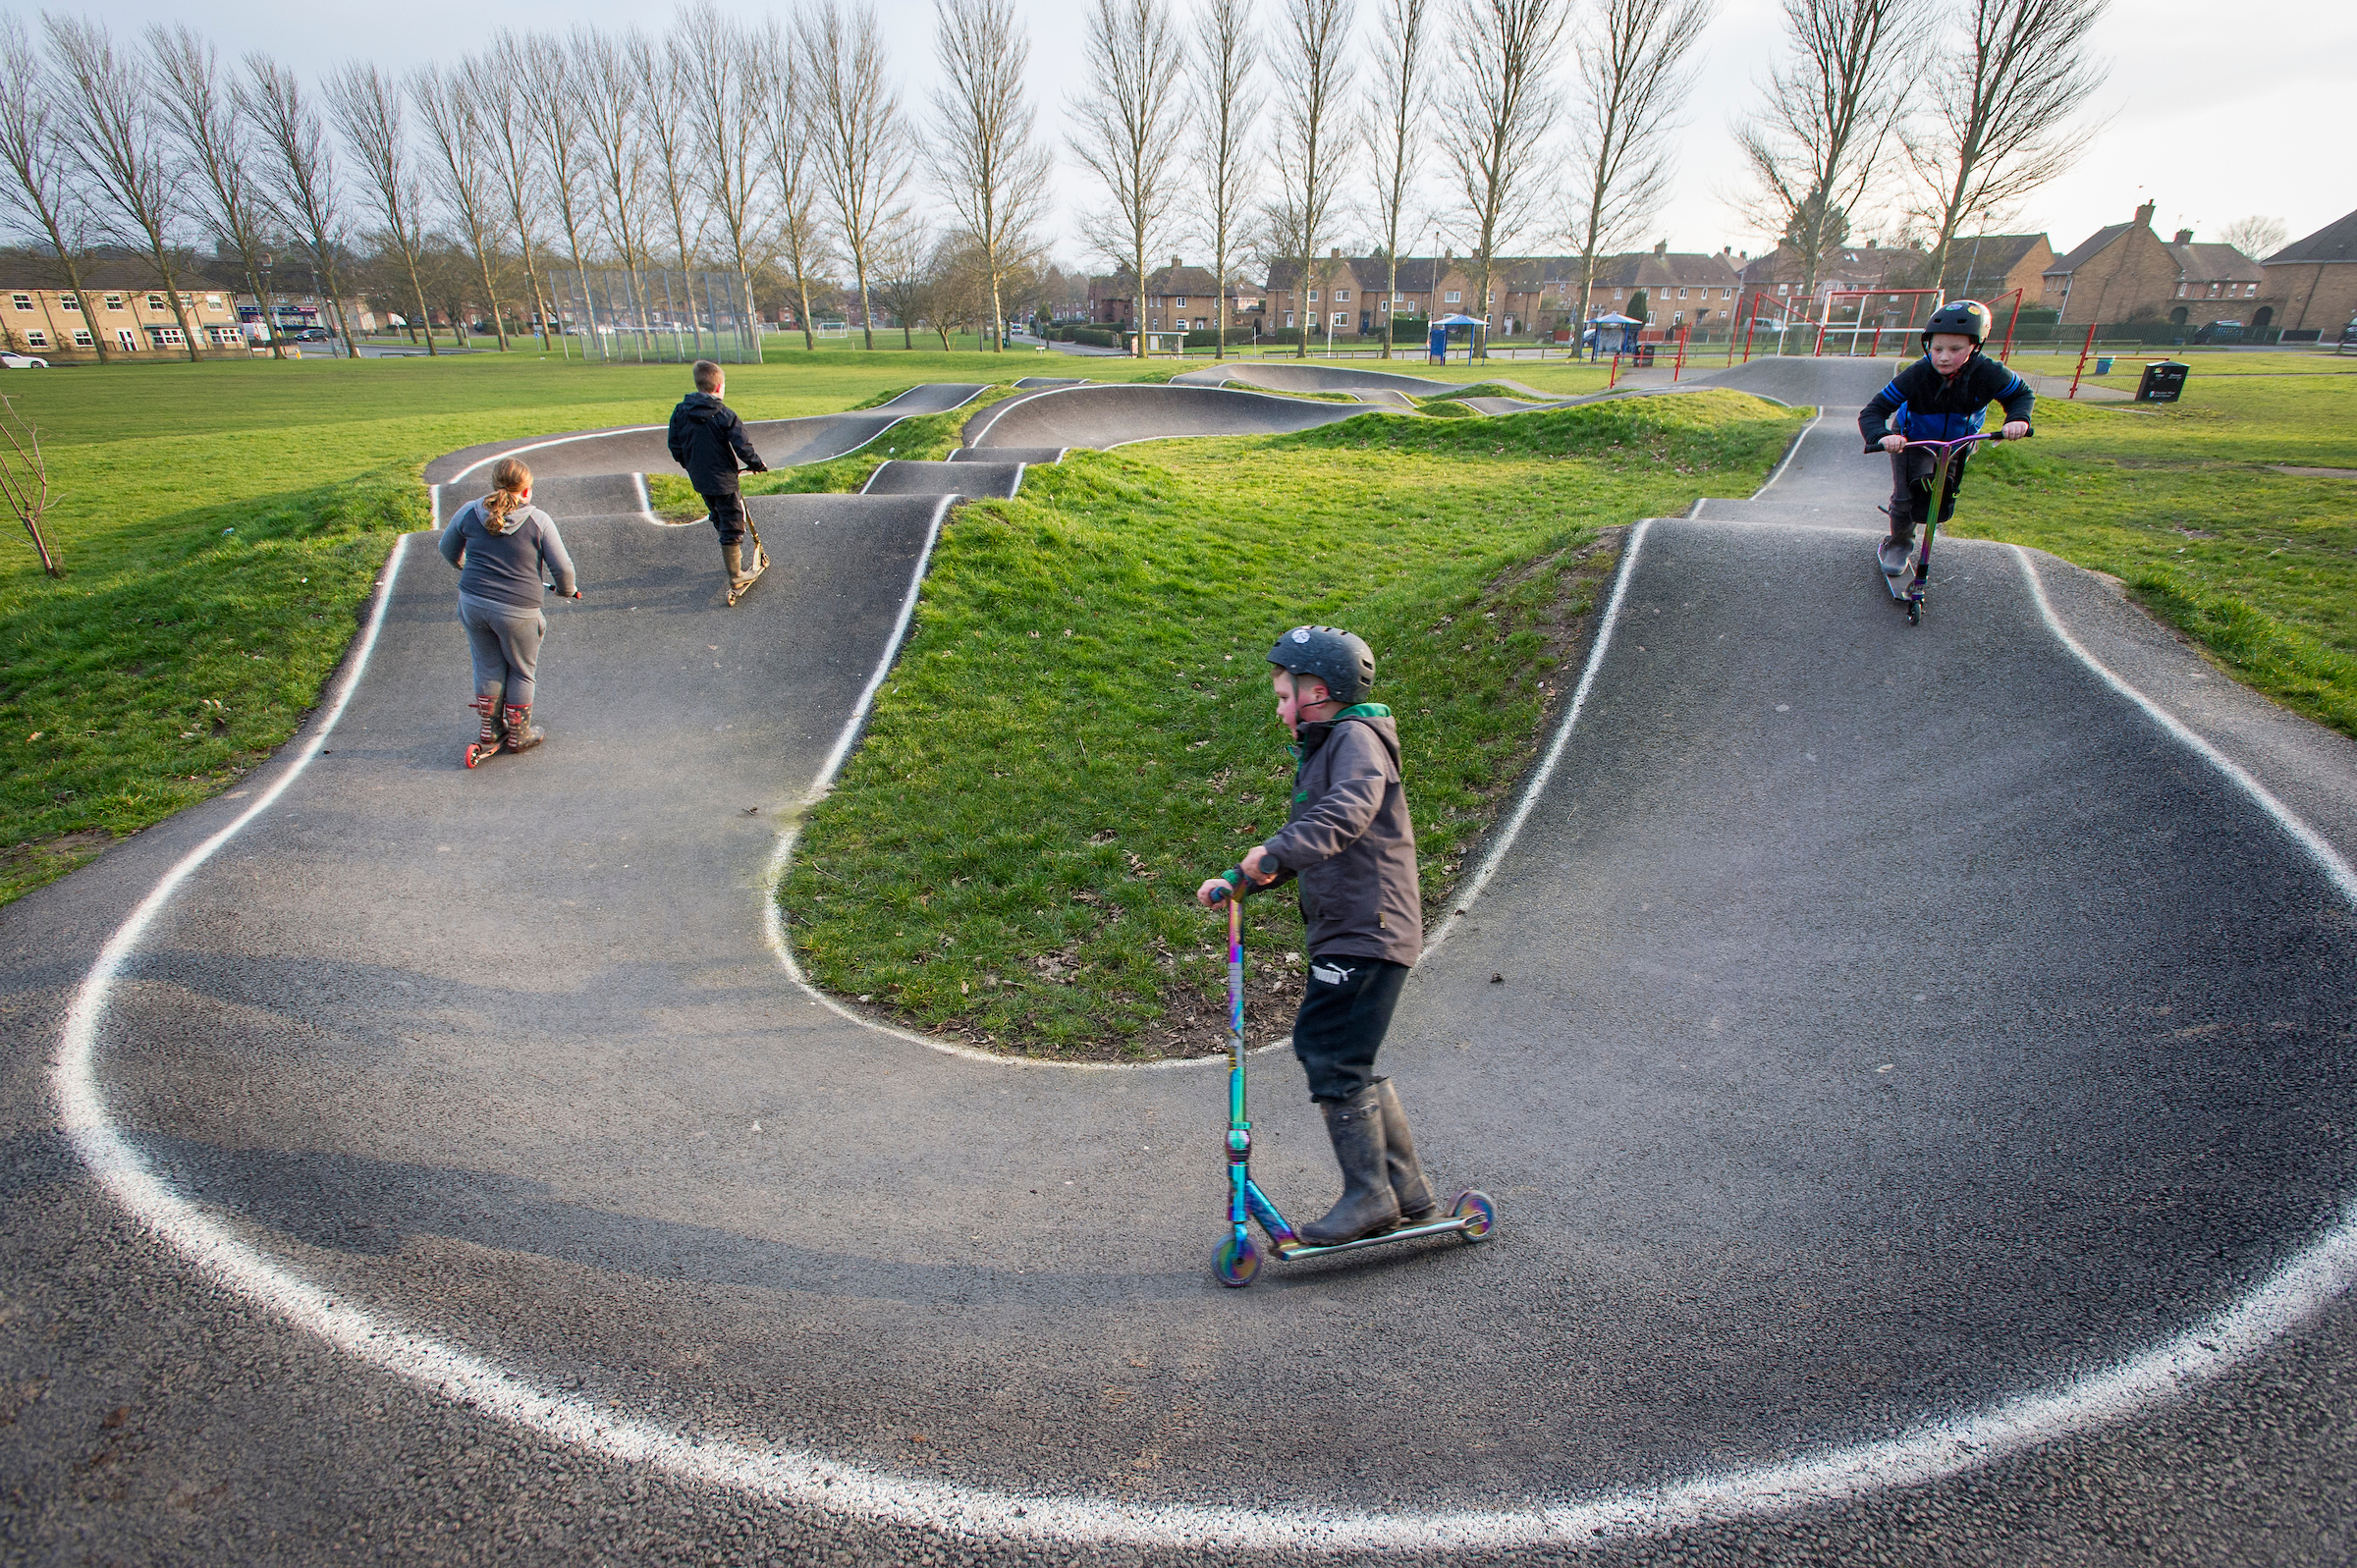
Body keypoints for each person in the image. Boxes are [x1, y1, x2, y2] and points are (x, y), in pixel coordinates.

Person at [1194, 625, 1433, 1247]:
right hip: (1358, 929)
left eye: (1282, 696)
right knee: (1346, 1054)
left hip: (1367, 928)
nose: (1278, 710)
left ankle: (1370, 1196)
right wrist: (1243, 877)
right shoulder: (1333, 745)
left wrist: (1273, 850)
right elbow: (1312, 842)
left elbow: (1345, 813)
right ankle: (1404, 1189)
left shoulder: (1356, 740)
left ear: (1316, 692)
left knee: (1326, 1048)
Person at [1859, 300, 2035, 575]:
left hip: (1959, 443)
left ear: (1975, 347)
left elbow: (2021, 395)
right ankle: (1899, 543)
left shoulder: (1989, 373)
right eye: (1936, 348)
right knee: (1909, 497)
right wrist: (1881, 435)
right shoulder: (1917, 374)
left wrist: (2018, 419)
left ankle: (1926, 526)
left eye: (1955, 350)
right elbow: (1873, 410)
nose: (1942, 357)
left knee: (1941, 498)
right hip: (1911, 440)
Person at [438, 456, 579, 767]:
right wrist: (567, 591)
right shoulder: (538, 520)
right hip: (519, 610)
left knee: (487, 666)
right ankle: (519, 734)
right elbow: (563, 569)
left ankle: (489, 732)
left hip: (473, 603)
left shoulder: (469, 511)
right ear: (526, 490)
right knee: (521, 669)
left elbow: (447, 550)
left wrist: (466, 568)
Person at [667, 358, 770, 595]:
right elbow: (742, 445)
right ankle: (736, 575)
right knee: (734, 521)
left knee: (718, 516)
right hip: (723, 479)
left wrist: (689, 464)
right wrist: (757, 464)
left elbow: (674, 445)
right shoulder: (724, 414)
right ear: (718, 387)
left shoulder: (680, 411)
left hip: (700, 478)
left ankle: (730, 554)